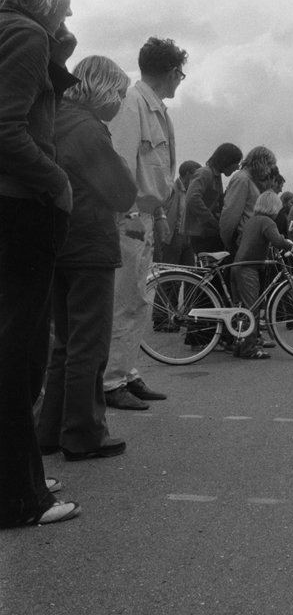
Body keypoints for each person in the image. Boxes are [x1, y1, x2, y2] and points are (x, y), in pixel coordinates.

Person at [0, 0, 82, 527]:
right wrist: (57, 181)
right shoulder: (25, 33)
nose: (71, 9)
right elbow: (6, 129)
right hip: (22, 207)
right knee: (20, 354)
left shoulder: (15, 30)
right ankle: (18, 498)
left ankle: (22, 474)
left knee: (18, 350)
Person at [37, 55, 136, 461]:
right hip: (89, 245)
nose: (118, 103)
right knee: (90, 345)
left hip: (58, 244)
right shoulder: (88, 129)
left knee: (64, 342)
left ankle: (51, 430)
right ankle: (83, 432)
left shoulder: (55, 118)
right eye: (119, 94)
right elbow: (120, 192)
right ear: (104, 89)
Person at [103, 35, 188, 411]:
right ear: (171, 71)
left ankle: (127, 371)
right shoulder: (132, 105)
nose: (181, 79)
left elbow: (153, 173)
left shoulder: (155, 110)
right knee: (124, 301)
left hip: (145, 219)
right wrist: (136, 214)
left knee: (138, 300)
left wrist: (158, 214)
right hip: (128, 221)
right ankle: (110, 381)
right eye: (180, 73)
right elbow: (119, 165)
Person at [229, 191, 293, 359]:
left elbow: (240, 242)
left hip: (238, 265)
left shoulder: (252, 220)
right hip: (249, 268)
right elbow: (278, 241)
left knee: (242, 308)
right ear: (273, 207)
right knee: (252, 308)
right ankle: (249, 349)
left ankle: (243, 342)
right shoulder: (267, 221)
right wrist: (291, 246)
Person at [184, 142, 241, 255]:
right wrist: (212, 220)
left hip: (207, 232)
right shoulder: (205, 173)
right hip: (202, 233)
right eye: (236, 163)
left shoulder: (216, 176)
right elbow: (192, 198)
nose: (237, 167)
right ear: (227, 160)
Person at [219, 145, 276, 254]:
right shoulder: (243, 180)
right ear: (261, 163)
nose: (269, 172)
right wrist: (228, 241)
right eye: (269, 166)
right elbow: (230, 214)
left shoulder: (249, 180)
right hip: (240, 239)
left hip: (246, 238)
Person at [155, 159, 199, 265]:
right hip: (173, 235)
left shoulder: (190, 191)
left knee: (190, 272)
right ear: (188, 174)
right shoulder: (171, 189)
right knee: (170, 271)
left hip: (187, 235)